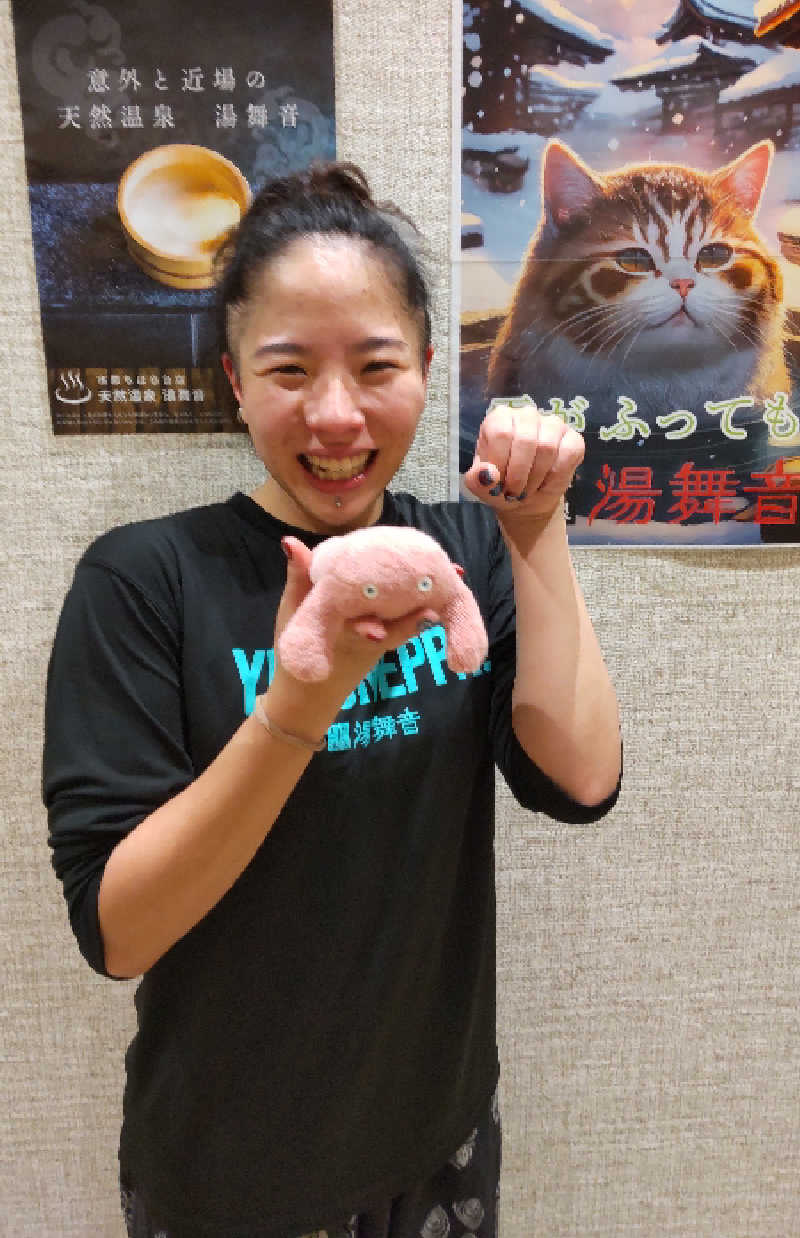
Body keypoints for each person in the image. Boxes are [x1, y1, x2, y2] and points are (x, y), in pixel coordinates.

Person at [43, 162, 622, 1238]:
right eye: (287, 369)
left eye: (375, 365)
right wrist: (293, 708)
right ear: (234, 381)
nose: (335, 414)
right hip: (228, 1171)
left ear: (428, 369)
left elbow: (579, 779)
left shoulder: (460, 555)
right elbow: (117, 931)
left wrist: (535, 531)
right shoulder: (144, 580)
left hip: (435, 1137)